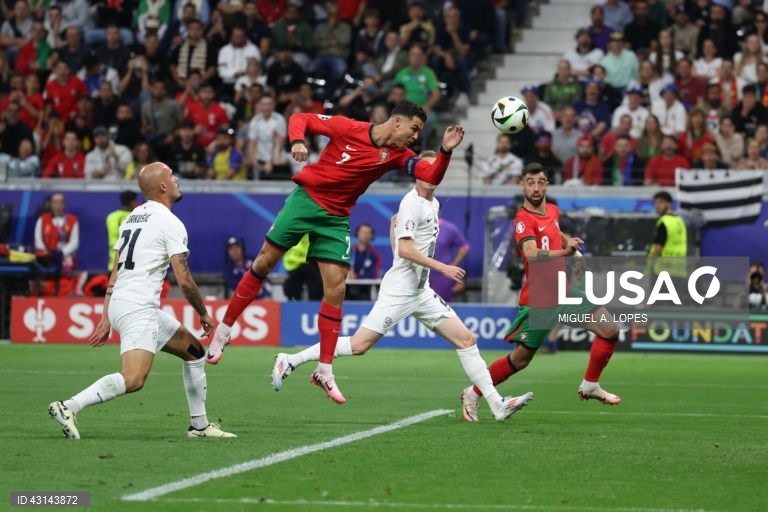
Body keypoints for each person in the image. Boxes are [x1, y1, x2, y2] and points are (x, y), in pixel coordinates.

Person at [206, 102, 465, 404]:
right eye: (414, 129)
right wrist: (298, 140)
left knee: (336, 288)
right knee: (264, 262)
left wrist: (445, 151)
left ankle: (324, 370)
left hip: (336, 218)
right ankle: (223, 331)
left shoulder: (399, 156)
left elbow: (430, 176)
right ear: (396, 122)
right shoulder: (348, 128)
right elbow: (300, 118)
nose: (415, 137)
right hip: (306, 200)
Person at [272, 151, 533, 422]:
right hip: (400, 291)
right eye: (426, 169)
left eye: (437, 170)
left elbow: (400, 235)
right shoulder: (412, 203)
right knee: (360, 345)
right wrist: (442, 267)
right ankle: (290, 360)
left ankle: (495, 404)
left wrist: (397, 234)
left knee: (467, 340)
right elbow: (406, 250)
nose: (432, 175)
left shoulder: (432, 204)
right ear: (417, 172)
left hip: (421, 291)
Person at [48, 162, 236, 440]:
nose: (176, 179)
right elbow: (184, 280)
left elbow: (116, 269)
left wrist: (105, 315)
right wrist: (204, 314)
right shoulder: (171, 222)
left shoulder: (133, 217)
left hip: (125, 301)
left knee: (194, 351)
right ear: (162, 186)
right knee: (134, 378)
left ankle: (200, 426)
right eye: (172, 176)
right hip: (138, 306)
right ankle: (69, 406)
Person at [460, 163, 621, 421]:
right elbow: (532, 254)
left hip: (565, 293)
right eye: (530, 182)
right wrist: (565, 252)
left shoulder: (553, 210)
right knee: (520, 359)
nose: (536, 188)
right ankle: (473, 393)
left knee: (610, 329)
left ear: (547, 185)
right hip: (540, 300)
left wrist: (570, 244)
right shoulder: (523, 221)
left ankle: (590, 384)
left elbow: (555, 229)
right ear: (522, 185)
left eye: (541, 182)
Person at [34, 192, 79, 296]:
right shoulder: (43, 219)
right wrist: (49, 254)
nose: (58, 205)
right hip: (47, 261)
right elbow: (38, 241)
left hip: (65, 262)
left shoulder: (72, 220)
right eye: (55, 202)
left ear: (65, 204)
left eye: (60, 202)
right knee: (47, 289)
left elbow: (74, 242)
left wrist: (61, 253)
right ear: (50, 204)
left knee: (65, 289)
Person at [647, 190, 687, 290]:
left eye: (660, 202)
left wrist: (651, 265)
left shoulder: (664, 222)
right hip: (679, 269)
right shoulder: (680, 221)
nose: (657, 206)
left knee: (659, 303)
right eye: (656, 203)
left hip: (663, 269)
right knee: (675, 303)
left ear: (668, 204)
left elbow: (658, 247)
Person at [429, 215, 470, 302]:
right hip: (422, 274)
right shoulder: (418, 229)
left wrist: (452, 266)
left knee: (440, 306)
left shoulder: (449, 229)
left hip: (441, 277)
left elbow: (464, 248)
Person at [105, 190, 138, 269]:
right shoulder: (135, 217)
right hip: (129, 265)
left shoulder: (110, 217)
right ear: (132, 202)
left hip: (113, 265)